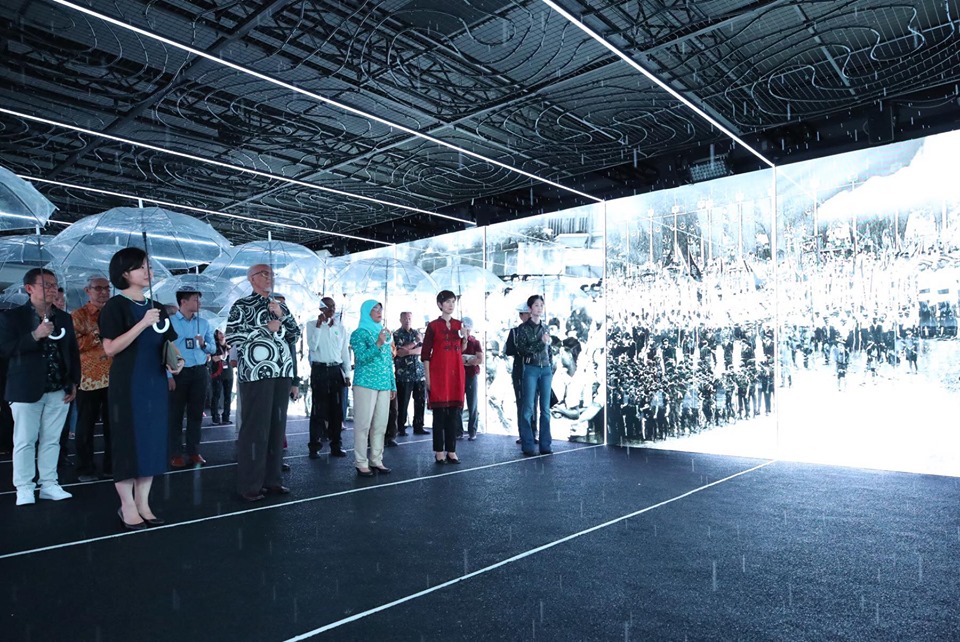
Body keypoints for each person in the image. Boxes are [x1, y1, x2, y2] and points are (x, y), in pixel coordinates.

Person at [99, 248, 180, 529]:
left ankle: (144, 502)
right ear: (124, 273)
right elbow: (110, 348)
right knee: (127, 443)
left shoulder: (155, 305)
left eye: (148, 266)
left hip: (155, 383)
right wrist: (142, 323)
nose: (148, 271)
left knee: (151, 443)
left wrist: (176, 361)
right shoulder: (115, 306)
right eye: (140, 267)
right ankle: (127, 505)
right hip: (128, 384)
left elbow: (168, 342)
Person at [0, 268, 80, 506]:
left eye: (54, 285)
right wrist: (35, 335)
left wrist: (74, 381)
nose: (52, 289)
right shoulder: (12, 317)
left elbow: (72, 352)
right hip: (25, 389)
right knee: (25, 440)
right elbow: (5, 350)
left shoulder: (63, 318)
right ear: (29, 288)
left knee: (52, 439)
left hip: (58, 388)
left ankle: (49, 483)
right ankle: (24, 486)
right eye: (46, 284)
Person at [226, 264, 300, 502]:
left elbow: (294, 335)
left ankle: (273, 479)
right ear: (251, 279)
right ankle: (250, 485)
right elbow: (232, 336)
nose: (269, 277)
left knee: (277, 429)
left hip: (281, 371)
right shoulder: (242, 305)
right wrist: (263, 328)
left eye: (271, 274)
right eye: (264, 274)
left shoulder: (280, 305)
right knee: (255, 430)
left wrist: (282, 316)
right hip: (256, 374)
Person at [72, 275, 113, 482]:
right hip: (89, 378)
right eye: (98, 288)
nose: (104, 292)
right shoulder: (78, 315)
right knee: (85, 426)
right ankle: (84, 468)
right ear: (87, 291)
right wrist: (98, 332)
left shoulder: (115, 313)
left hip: (115, 377)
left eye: (107, 288)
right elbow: (75, 345)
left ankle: (111, 466)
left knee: (113, 425)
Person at [168, 290, 215, 467]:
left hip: (200, 370)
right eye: (196, 300)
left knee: (196, 413)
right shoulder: (170, 323)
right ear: (183, 301)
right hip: (178, 372)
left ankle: (194, 451)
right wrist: (168, 375)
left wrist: (203, 344)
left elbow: (212, 349)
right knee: (176, 414)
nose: (199, 303)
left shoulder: (203, 323)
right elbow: (165, 349)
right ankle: (175, 452)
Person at [349, 300, 396, 476]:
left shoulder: (385, 334)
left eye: (380, 309)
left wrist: (392, 384)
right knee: (363, 424)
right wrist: (378, 343)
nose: (379, 312)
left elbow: (388, 362)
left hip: (383, 384)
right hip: (365, 383)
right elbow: (361, 358)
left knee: (380, 425)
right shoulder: (358, 334)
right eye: (375, 309)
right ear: (366, 312)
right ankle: (361, 461)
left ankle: (377, 459)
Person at [421, 290, 466, 464]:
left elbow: (461, 349)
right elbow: (425, 354)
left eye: (453, 302)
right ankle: (439, 451)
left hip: (455, 372)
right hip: (438, 372)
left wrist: (465, 338)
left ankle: (452, 450)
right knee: (439, 414)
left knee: (454, 413)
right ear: (440, 304)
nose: (450, 305)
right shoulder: (433, 326)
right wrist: (428, 377)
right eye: (447, 302)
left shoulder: (459, 324)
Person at [305, 297, 350, 459]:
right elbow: (312, 346)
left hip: (336, 370)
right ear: (321, 308)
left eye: (334, 306)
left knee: (337, 410)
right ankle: (314, 446)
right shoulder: (311, 325)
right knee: (318, 409)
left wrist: (347, 374)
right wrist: (318, 326)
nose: (332, 309)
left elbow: (344, 352)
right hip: (319, 369)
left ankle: (336, 445)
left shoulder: (340, 328)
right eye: (328, 307)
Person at [515, 294, 555, 456]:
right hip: (530, 368)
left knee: (545, 409)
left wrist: (550, 366)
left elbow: (549, 350)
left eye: (541, 305)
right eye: (537, 305)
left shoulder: (546, 328)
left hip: (545, 369)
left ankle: (546, 444)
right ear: (530, 308)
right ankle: (528, 444)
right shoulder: (522, 329)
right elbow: (522, 350)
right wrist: (541, 342)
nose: (539, 308)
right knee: (528, 408)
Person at [504, 304, 537, 444]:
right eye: (526, 314)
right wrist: (521, 349)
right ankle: (523, 434)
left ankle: (533, 433)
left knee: (533, 403)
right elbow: (508, 350)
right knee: (521, 403)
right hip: (520, 371)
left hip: (535, 370)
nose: (529, 317)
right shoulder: (514, 332)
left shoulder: (538, 331)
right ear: (521, 316)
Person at [393, 311, 428, 436]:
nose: (407, 320)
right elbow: (399, 352)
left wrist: (409, 351)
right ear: (400, 320)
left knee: (420, 401)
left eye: (409, 318)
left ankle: (419, 426)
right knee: (403, 402)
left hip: (419, 373)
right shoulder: (396, 334)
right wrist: (414, 343)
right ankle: (400, 427)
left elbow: (423, 350)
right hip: (404, 375)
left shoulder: (417, 333)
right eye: (405, 318)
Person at [461, 317, 484, 440]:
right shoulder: (458, 341)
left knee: (472, 403)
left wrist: (470, 361)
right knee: (458, 403)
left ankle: (472, 431)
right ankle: (458, 431)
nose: (467, 331)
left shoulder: (475, 342)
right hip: (459, 375)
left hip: (471, 374)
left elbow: (480, 359)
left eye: (468, 328)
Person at [209, 329, 233, 424]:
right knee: (216, 395)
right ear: (217, 334)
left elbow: (234, 357)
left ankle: (226, 417)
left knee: (228, 395)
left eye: (223, 333)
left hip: (228, 373)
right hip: (217, 373)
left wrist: (229, 349)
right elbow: (214, 358)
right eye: (220, 333)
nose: (222, 335)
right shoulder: (214, 345)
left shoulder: (229, 345)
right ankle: (215, 417)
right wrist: (222, 356)